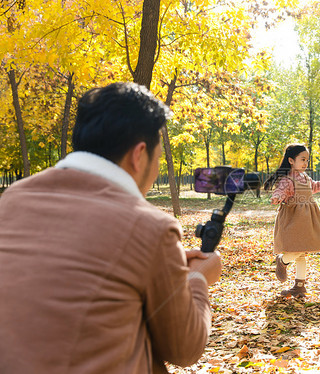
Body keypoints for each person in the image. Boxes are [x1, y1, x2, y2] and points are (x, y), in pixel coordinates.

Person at [0, 82, 222, 374]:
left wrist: (166, 265)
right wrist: (197, 278)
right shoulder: (150, 226)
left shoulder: (12, 199)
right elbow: (184, 349)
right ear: (139, 154)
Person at [263, 144, 320, 298]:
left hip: (306, 219)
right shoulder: (288, 179)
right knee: (296, 250)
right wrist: (277, 197)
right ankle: (282, 261)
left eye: (307, 160)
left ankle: (299, 286)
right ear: (291, 161)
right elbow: (281, 190)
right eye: (302, 159)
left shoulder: (305, 177)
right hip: (293, 219)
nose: (306, 163)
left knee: (302, 253)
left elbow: (317, 186)